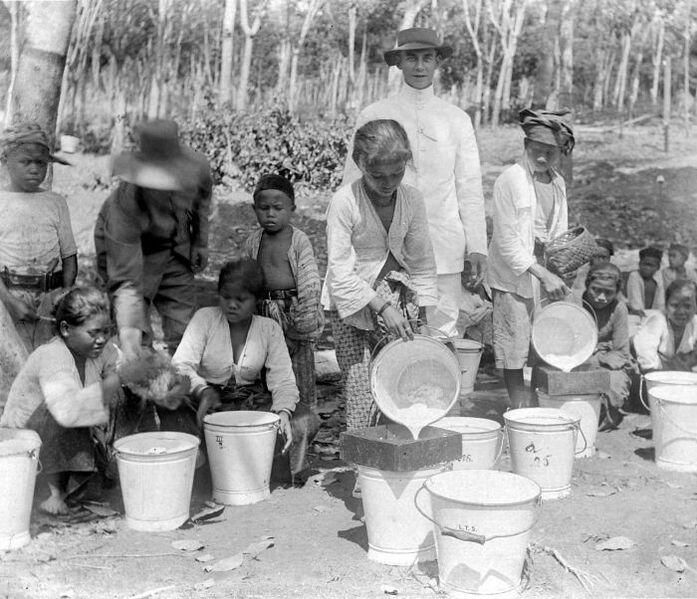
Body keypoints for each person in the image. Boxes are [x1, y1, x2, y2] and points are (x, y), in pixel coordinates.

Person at [342, 28, 486, 337]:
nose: (419, 67)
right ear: (399, 62)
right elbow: (352, 182)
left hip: (442, 242)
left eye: (426, 58)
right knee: (387, 331)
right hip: (383, 242)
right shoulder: (376, 113)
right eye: (411, 58)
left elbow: (470, 187)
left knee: (441, 326)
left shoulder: (456, 119)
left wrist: (477, 246)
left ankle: (439, 385)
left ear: (437, 62)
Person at [323, 119, 438, 430]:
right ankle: (364, 465)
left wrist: (423, 317)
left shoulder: (411, 199)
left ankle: (399, 451)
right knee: (359, 384)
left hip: (398, 297)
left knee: (400, 378)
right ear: (361, 164)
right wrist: (381, 307)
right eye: (378, 176)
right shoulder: (344, 202)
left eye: (397, 174)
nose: (389, 183)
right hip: (351, 303)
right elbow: (340, 271)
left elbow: (422, 259)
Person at [0, 288, 147, 515]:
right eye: (93, 333)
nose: (101, 339)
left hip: (72, 434)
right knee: (66, 405)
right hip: (28, 446)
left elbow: (120, 371)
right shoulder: (52, 355)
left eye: (106, 332)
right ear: (66, 329)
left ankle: (114, 464)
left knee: (129, 393)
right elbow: (67, 413)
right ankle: (53, 492)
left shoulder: (102, 350)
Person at [172, 259, 319, 480]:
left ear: (257, 301)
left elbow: (283, 380)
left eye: (241, 299)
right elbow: (180, 365)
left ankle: (264, 468)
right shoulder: (205, 319)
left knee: (305, 418)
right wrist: (202, 390)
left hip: (251, 405)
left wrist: (282, 412)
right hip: (208, 405)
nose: (231, 305)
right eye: (226, 297)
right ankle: (198, 468)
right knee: (170, 400)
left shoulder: (268, 329)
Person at [94, 119, 212, 358]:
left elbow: (201, 203)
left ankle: (188, 380)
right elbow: (127, 284)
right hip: (136, 258)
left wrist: (200, 242)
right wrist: (130, 334)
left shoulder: (196, 170)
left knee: (185, 331)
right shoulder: (123, 210)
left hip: (176, 249)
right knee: (136, 337)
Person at [487, 108, 575, 408]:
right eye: (537, 151)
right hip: (514, 275)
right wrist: (543, 274)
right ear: (525, 147)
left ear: (560, 153)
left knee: (543, 339)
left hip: (545, 271)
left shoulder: (558, 183)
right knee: (514, 346)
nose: (542, 158)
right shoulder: (509, 181)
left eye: (550, 152)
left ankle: (538, 403)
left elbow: (559, 231)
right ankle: (518, 406)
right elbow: (507, 242)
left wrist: (563, 265)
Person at [242, 174, 324, 407]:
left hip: (293, 317)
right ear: (254, 208)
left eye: (278, 208)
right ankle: (270, 433)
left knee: (300, 382)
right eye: (263, 208)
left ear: (292, 209)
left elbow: (309, 287)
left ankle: (302, 435)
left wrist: (298, 332)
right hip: (262, 319)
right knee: (266, 380)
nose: (270, 214)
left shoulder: (298, 241)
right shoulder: (252, 242)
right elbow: (243, 282)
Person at [0, 123, 77, 353]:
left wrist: (63, 295)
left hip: (50, 299)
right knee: (13, 362)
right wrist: (10, 302)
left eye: (41, 163)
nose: (34, 169)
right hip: (8, 297)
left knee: (48, 359)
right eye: (25, 162)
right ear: (7, 163)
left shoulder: (56, 202)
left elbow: (70, 257)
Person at [580, 263, 635, 430]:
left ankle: (602, 418)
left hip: (603, 362)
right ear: (587, 284)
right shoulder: (575, 303)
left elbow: (621, 353)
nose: (602, 297)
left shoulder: (619, 308)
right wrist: (601, 349)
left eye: (609, 292)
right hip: (577, 360)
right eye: (596, 290)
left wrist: (597, 354)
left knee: (616, 380)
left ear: (617, 292)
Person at [633, 279, 697, 373]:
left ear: (695, 307)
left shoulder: (694, 322)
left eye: (687, 306)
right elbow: (647, 364)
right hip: (649, 375)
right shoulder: (657, 321)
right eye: (674, 305)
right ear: (666, 305)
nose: (681, 312)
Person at [626, 246, 665, 317]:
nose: (647, 268)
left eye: (651, 266)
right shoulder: (634, 276)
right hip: (636, 314)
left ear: (658, 267)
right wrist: (642, 314)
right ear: (639, 263)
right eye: (644, 264)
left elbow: (660, 302)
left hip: (653, 315)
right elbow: (635, 301)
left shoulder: (658, 277)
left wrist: (659, 315)